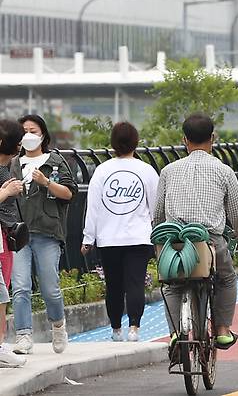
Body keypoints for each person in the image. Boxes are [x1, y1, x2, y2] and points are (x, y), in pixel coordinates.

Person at [154, 113, 238, 355]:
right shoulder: (223, 170)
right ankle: (223, 330)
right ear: (213, 138)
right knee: (226, 279)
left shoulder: (168, 170)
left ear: (184, 139)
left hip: (174, 242)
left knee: (172, 286)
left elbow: (157, 214)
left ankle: (175, 333)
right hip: (209, 241)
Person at [81, 122, 160, 342]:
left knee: (113, 285)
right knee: (135, 283)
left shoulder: (102, 170)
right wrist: (158, 234)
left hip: (108, 239)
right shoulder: (146, 170)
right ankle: (134, 327)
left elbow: (93, 208)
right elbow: (156, 207)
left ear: (113, 143)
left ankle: (116, 329)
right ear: (136, 142)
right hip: (139, 237)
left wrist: (88, 239)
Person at [11, 115, 78, 355]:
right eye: (24, 131)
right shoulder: (12, 164)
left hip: (47, 232)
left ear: (43, 135)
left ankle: (58, 326)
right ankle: (23, 335)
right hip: (18, 233)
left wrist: (46, 182)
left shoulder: (56, 161)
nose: (28, 135)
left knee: (50, 287)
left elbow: (69, 193)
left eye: (33, 130)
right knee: (20, 286)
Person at [0, 120, 27, 367]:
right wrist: (6, 192)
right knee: (2, 293)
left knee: (3, 291)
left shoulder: (8, 166)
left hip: (5, 238)